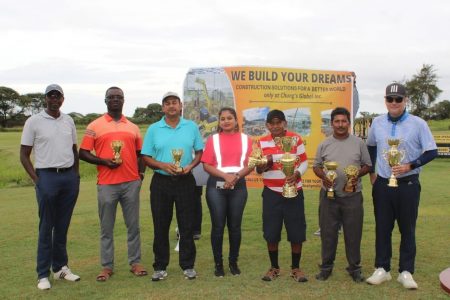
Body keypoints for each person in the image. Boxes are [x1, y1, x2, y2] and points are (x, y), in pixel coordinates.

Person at [366, 83, 438, 289]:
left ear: (406, 100)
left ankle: (406, 272)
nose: (394, 103)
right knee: (382, 227)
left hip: (408, 183)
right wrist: (372, 171)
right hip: (382, 184)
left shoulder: (418, 123)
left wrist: (410, 165)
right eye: (390, 99)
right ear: (385, 101)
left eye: (399, 99)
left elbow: (431, 151)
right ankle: (382, 269)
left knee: (408, 228)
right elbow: (371, 146)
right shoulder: (377, 123)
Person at [79, 87, 147, 281]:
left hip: (131, 184)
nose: (115, 100)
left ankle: (135, 262)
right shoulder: (95, 125)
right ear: (106, 100)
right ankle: (107, 266)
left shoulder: (132, 127)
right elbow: (83, 153)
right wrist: (104, 161)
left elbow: (141, 154)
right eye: (112, 97)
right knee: (106, 228)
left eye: (119, 97)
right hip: (107, 184)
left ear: (124, 100)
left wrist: (140, 174)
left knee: (133, 226)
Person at [20, 84, 80, 290]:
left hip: (68, 178)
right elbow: (24, 155)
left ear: (63, 99)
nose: (54, 99)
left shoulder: (68, 120)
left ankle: (61, 268)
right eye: (50, 96)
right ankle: (42, 274)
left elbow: (74, 149)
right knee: (47, 227)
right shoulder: (34, 121)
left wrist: (76, 175)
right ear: (45, 99)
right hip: (46, 177)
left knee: (62, 227)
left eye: (58, 96)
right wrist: (37, 180)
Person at [142, 91, 204, 281]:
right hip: (161, 182)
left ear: (180, 106)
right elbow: (145, 156)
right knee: (160, 225)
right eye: (167, 103)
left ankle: (188, 266)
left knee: (186, 225)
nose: (171, 106)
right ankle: (160, 266)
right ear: (163, 108)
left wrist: (190, 166)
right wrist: (162, 165)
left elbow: (199, 152)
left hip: (186, 181)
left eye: (174, 102)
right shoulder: (154, 128)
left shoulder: (191, 126)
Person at [312, 107, 371, 282]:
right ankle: (326, 268)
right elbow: (316, 166)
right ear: (332, 124)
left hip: (352, 196)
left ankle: (354, 269)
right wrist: (324, 176)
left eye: (344, 121)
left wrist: (355, 176)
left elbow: (367, 165)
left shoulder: (359, 143)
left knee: (353, 233)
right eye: (337, 121)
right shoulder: (324, 144)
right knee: (328, 233)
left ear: (349, 123)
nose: (340, 124)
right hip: (329, 196)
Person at [256, 109, 309, 282]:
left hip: (294, 192)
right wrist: (264, 165)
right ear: (267, 125)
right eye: (272, 123)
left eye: (279, 122)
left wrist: (298, 174)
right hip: (272, 193)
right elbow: (258, 169)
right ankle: (274, 267)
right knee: (271, 232)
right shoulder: (261, 143)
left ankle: (296, 268)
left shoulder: (296, 138)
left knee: (296, 232)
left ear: (284, 123)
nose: (276, 126)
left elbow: (304, 161)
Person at [201, 107, 253, 277]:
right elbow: (206, 165)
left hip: (238, 185)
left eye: (229, 118)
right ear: (219, 121)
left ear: (236, 120)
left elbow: (251, 164)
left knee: (235, 226)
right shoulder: (213, 139)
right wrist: (225, 176)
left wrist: (235, 176)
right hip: (216, 185)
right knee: (217, 226)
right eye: (222, 119)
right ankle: (218, 264)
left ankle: (233, 262)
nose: (226, 121)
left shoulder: (246, 139)